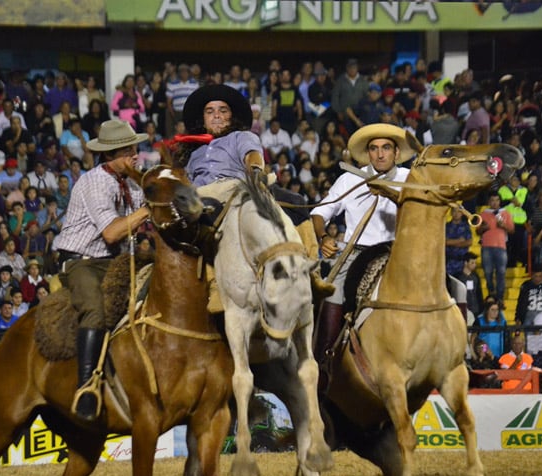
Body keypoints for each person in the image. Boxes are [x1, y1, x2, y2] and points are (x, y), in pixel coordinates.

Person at [178, 84, 334, 306]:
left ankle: (312, 271)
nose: (217, 116)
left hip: (239, 188)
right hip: (203, 196)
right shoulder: (193, 152)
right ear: (202, 118)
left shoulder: (241, 137)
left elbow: (253, 155)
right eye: (210, 111)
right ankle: (214, 285)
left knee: (295, 201)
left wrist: (255, 171)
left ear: (231, 117)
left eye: (223, 111)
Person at [52, 119, 150, 421]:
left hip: (114, 260)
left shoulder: (133, 183)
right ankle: (87, 386)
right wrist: (150, 208)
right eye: (128, 151)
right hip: (82, 260)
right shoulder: (95, 182)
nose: (135, 156)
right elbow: (111, 233)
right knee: (95, 310)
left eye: (135, 149)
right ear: (110, 155)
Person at [311, 123, 415, 360]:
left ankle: (453, 359)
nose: (380, 154)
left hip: (398, 254)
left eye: (386, 148)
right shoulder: (349, 179)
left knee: (456, 289)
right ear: (367, 153)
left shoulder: (410, 178)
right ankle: (325, 360)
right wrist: (323, 237)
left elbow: (421, 212)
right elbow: (319, 214)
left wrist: (391, 193)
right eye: (374, 148)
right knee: (332, 292)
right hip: (356, 254)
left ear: (396, 153)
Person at [478, 192, 514, 302]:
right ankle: (491, 293)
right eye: (492, 200)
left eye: (497, 200)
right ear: (489, 202)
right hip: (486, 246)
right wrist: (483, 228)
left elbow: (512, 230)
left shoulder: (506, 213)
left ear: (499, 201)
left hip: (501, 246)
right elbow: (478, 231)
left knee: (501, 273)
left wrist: (504, 226)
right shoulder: (483, 214)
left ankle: (500, 298)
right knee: (487, 272)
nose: (495, 202)